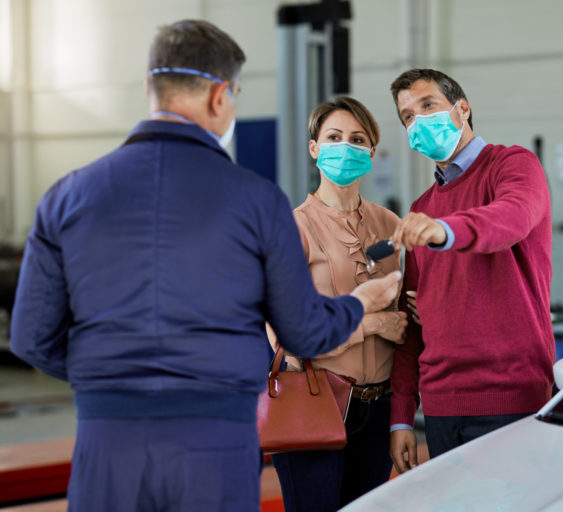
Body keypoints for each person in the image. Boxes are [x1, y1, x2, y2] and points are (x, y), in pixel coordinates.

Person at [10, 20, 400, 512]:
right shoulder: (257, 201)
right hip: (216, 441)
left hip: (108, 441)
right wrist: (361, 304)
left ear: (152, 88)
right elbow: (301, 333)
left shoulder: (67, 195)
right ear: (219, 97)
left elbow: (30, 338)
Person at [387, 68, 555, 472]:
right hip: (442, 408)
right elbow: (413, 330)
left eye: (428, 106)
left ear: (462, 109)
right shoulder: (420, 209)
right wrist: (401, 417)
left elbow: (511, 218)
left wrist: (443, 229)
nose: (418, 120)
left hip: (512, 398)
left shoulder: (512, 165)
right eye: (408, 116)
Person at [269, 97, 406, 512]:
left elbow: (404, 322)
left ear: (371, 152)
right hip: (316, 400)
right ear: (314, 148)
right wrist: (374, 326)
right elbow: (293, 340)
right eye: (333, 137)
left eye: (357, 139)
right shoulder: (292, 228)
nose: (345, 147)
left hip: (378, 408)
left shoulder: (390, 224)